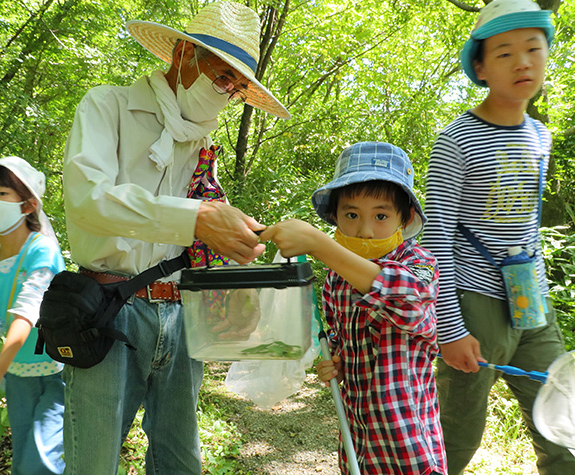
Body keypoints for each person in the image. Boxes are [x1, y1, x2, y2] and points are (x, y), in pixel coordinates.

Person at [60, 1, 290, 473]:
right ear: (184, 53)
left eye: (237, 85)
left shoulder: (203, 143)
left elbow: (197, 247)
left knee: (181, 464)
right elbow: (87, 198)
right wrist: (197, 218)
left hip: (184, 318)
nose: (227, 92)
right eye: (222, 75)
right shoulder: (108, 106)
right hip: (110, 309)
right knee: (93, 463)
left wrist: (233, 291)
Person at [420, 0, 575, 473]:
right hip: (472, 303)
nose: (523, 61)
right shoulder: (456, 140)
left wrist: (540, 300)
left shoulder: (540, 137)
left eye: (534, 48)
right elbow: (437, 240)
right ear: (482, 68)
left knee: (563, 418)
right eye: (505, 53)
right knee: (457, 431)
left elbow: (524, 225)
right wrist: (450, 330)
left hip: (532, 302)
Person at [261, 142, 447, 475]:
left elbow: (406, 299)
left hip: (409, 440)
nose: (364, 229)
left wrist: (320, 244)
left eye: (380, 215)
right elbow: (340, 340)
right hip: (358, 437)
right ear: (335, 216)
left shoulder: (419, 264)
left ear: (405, 219)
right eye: (351, 215)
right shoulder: (335, 279)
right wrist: (337, 363)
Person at [0, 156, 66, 475]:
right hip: (18, 376)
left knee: (43, 458)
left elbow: (28, 310)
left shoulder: (41, 249)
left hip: (59, 368)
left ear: (28, 205)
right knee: (23, 452)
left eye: (2, 192)